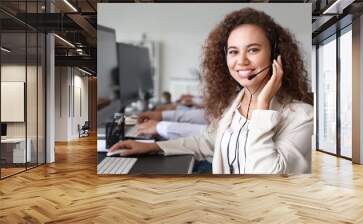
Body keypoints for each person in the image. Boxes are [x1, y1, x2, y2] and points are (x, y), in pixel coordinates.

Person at [109, 8, 313, 174]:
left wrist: (262, 108)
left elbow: (267, 177)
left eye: (253, 50)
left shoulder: (302, 117)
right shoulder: (236, 104)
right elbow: (207, 141)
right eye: (233, 52)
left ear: (275, 55)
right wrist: (154, 147)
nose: (241, 61)